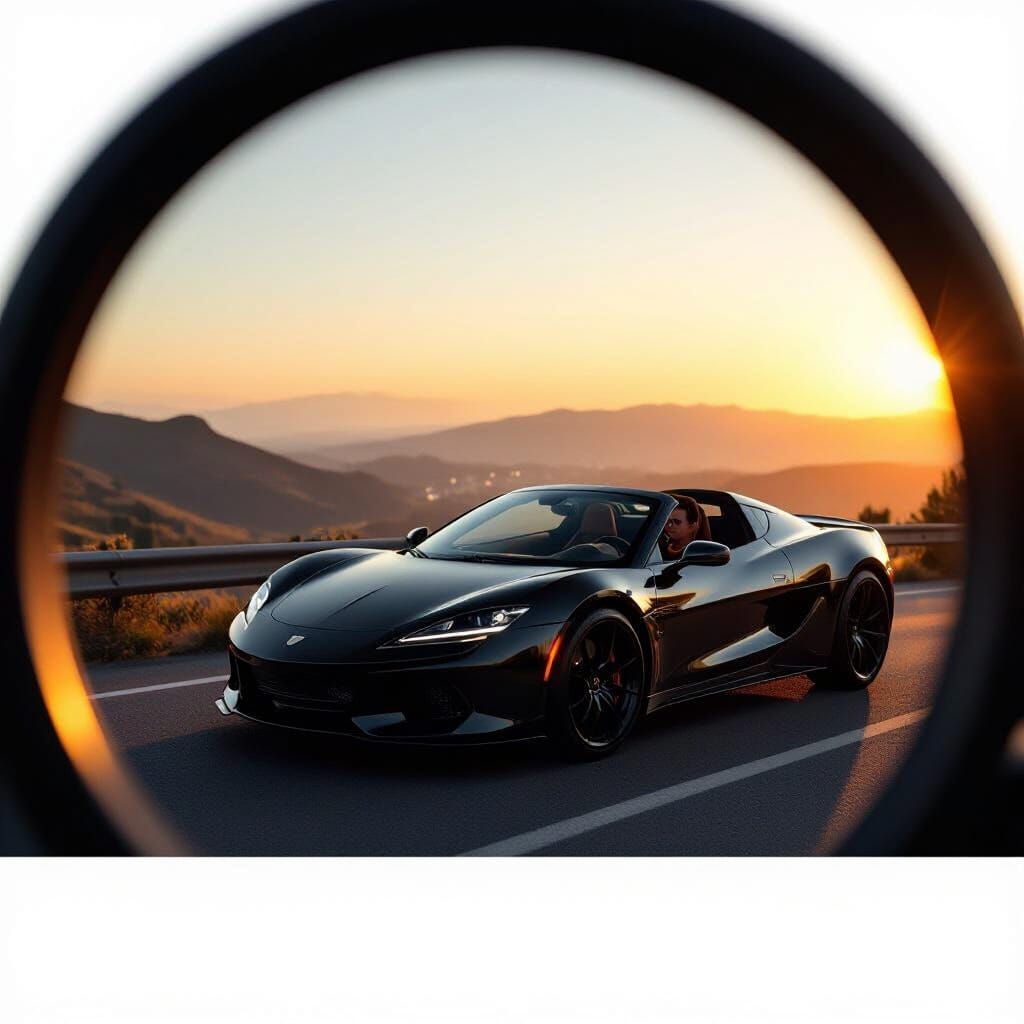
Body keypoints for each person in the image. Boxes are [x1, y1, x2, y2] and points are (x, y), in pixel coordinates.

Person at [660, 494, 712, 559]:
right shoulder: (658, 548)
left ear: (692, 526)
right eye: (667, 521)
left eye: (676, 522)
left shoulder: (700, 554)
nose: (669, 525)